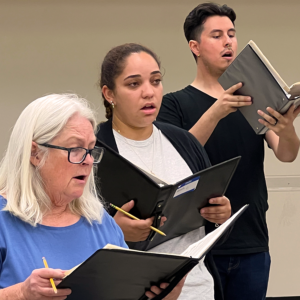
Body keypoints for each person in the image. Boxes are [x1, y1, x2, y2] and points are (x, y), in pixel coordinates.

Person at [157, 3, 300, 300]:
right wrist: (216, 111)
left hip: (252, 240)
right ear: (195, 46)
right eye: (217, 35)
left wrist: (286, 128)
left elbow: (287, 154)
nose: (228, 42)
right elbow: (173, 160)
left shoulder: (254, 97)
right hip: (197, 245)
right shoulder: (175, 103)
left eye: (232, 35)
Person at [0, 93, 185, 300]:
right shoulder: (4, 221)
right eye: (76, 149)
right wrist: (21, 294)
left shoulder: (100, 221)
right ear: (35, 154)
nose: (88, 160)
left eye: (90, 150)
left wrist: (161, 296)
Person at [96, 43, 232, 300]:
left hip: (199, 289)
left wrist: (219, 217)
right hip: (134, 292)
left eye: (156, 81)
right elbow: (73, 234)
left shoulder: (184, 142)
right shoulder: (94, 153)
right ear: (109, 93)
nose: (149, 92)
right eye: (134, 84)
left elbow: (209, 233)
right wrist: (114, 231)